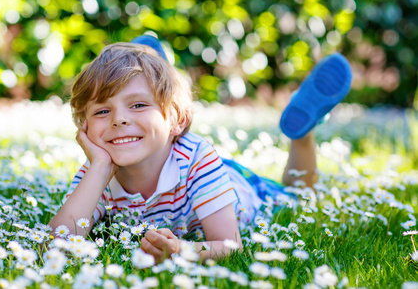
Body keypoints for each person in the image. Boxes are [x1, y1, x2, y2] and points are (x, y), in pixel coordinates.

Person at [48, 35, 352, 262]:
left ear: (177, 121)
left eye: (138, 105)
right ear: (83, 125)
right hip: (185, 165)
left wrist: (183, 249)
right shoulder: (97, 171)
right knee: (146, 86)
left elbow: (229, 245)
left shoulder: (198, 159)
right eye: (102, 111)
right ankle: (151, 69)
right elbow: (53, 245)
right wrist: (100, 167)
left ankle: (302, 134)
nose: (119, 120)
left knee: (298, 197)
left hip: (237, 189)